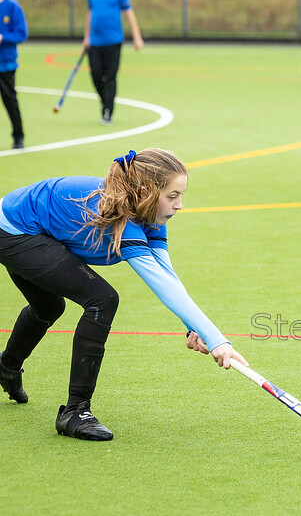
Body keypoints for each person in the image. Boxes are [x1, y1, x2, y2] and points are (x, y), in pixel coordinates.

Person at [0, 148, 248, 440]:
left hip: (30, 226)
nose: (180, 205)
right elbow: (159, 284)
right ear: (146, 191)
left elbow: (168, 278)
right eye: (172, 196)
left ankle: (6, 367)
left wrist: (195, 328)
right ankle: (74, 412)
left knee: (48, 306)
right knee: (102, 300)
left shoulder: (148, 216)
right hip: (14, 231)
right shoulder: (122, 219)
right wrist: (218, 339)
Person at [83, 0, 143, 126]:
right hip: (95, 42)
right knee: (95, 75)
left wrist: (137, 37)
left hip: (114, 42)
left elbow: (129, 14)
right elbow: (90, 14)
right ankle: (105, 101)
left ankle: (108, 110)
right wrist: (86, 37)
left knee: (110, 77)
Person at [0, 0, 28, 150]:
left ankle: (18, 136)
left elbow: (21, 33)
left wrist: (3, 38)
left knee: (10, 100)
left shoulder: (12, 6)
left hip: (6, 64)